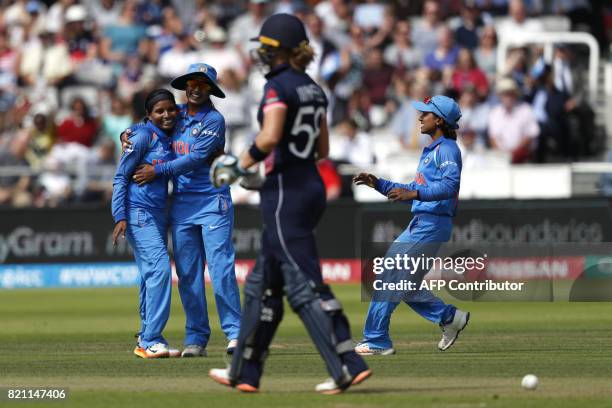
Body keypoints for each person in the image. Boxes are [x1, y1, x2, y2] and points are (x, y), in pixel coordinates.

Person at [208, 13, 371, 395]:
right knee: (263, 286)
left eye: (266, 49)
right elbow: (324, 149)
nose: (262, 55)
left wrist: (238, 165)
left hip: (285, 193)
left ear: (279, 51)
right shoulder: (315, 89)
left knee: (307, 285)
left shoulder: (278, 86)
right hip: (308, 184)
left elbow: (269, 136)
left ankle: (347, 362)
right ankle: (243, 371)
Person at [129, 63, 241, 357]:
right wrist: (128, 134)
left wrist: (157, 170)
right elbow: (148, 126)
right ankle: (196, 338)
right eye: (191, 83)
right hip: (181, 205)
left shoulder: (214, 120)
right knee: (189, 274)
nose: (195, 88)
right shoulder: (175, 113)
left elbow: (195, 159)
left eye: (202, 85)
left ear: (210, 90)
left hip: (212, 200)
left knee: (220, 268)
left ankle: (235, 333)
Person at [352, 95, 470, 356]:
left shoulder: (447, 149)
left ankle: (376, 339)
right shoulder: (434, 150)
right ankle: (449, 318)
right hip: (424, 222)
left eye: (425, 113)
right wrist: (379, 184)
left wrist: (416, 195)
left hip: (430, 223)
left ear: (439, 120)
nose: (419, 117)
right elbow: (414, 188)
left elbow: (450, 186)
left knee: (389, 278)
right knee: (406, 285)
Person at [111, 89, 178, 358]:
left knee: (150, 274)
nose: (166, 115)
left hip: (158, 213)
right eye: (159, 111)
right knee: (160, 269)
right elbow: (120, 177)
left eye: (170, 109)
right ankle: (150, 340)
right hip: (139, 213)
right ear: (149, 115)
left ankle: (146, 333)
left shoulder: (170, 129)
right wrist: (120, 216)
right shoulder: (141, 137)